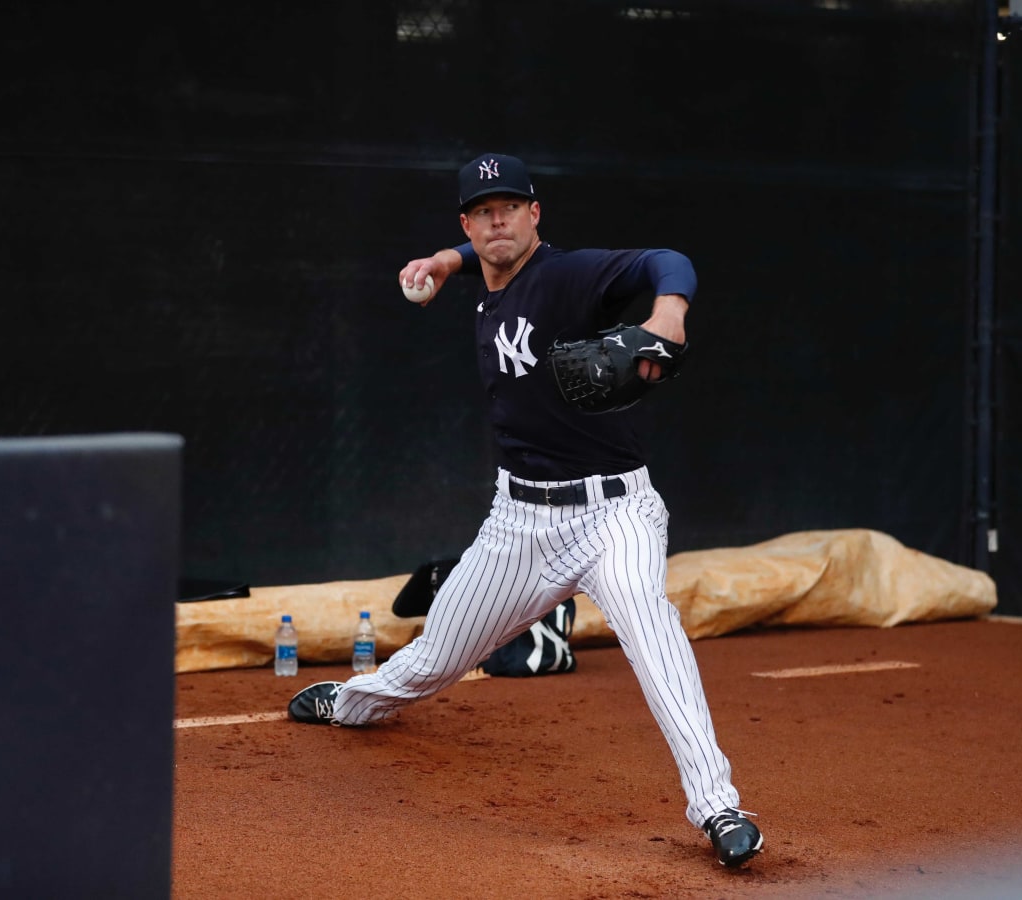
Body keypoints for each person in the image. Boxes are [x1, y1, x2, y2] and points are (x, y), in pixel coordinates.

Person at [287, 152, 764, 868]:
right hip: (518, 524)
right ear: (466, 224)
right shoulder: (481, 273)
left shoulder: (570, 275)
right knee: (433, 660)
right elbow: (482, 256)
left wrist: (668, 313)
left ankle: (718, 806)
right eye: (482, 211)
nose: (497, 219)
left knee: (651, 631)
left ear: (536, 214)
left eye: (510, 205)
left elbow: (669, 259)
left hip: (614, 514)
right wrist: (448, 263)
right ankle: (354, 705)